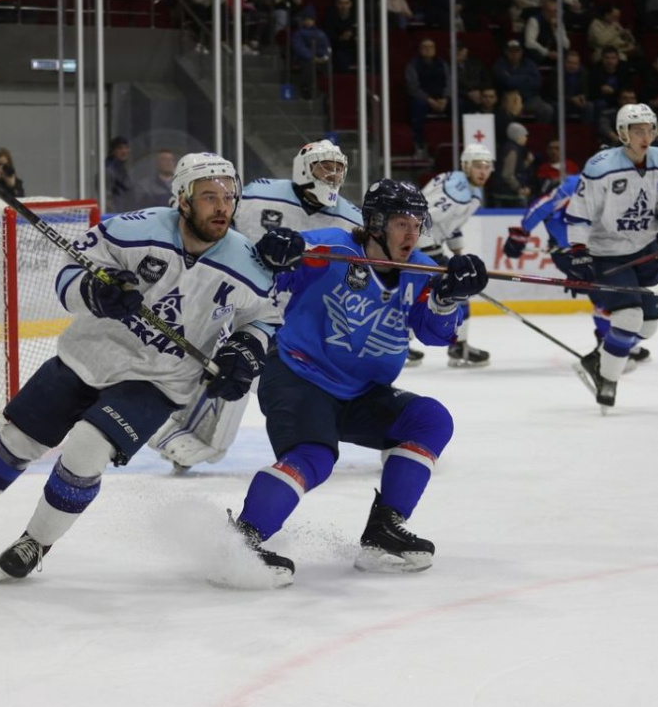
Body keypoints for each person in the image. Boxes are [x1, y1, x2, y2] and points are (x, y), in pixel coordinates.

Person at [0, 153, 285, 581]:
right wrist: (95, 289)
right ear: (182, 200)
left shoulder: (247, 263)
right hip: (88, 355)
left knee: (88, 446)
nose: (222, 207)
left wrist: (244, 351)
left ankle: (36, 540)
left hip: (159, 378)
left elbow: (263, 318)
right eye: (208, 197)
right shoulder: (133, 229)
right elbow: (70, 272)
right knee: (17, 441)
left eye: (228, 197)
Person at [222, 180, 489, 587]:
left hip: (361, 393)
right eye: (402, 223)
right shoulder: (333, 248)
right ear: (376, 224)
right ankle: (240, 543)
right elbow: (272, 268)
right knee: (315, 457)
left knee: (430, 420)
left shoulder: (419, 271)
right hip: (299, 375)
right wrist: (276, 251)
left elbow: (436, 335)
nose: (412, 234)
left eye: (418, 224)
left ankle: (383, 531)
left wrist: (448, 299)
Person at [150, 140, 361, 475]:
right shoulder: (260, 194)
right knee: (235, 364)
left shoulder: (350, 217)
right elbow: (218, 223)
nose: (333, 175)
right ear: (304, 168)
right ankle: (189, 432)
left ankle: (379, 426)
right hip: (249, 299)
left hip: (303, 314)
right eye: (325, 167)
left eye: (338, 168)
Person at [560, 103, 658, 411]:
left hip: (646, 252)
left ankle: (598, 359)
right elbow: (578, 216)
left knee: (649, 326)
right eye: (637, 131)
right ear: (622, 134)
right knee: (629, 318)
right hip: (607, 254)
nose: (645, 137)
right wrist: (579, 254)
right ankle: (607, 378)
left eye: (649, 130)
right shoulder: (601, 166)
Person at [503, 175, 654, 371]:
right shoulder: (577, 184)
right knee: (604, 293)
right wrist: (521, 234)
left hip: (597, 249)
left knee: (616, 293)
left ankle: (615, 342)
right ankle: (606, 347)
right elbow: (542, 205)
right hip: (569, 253)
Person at [413, 143, 496, 367]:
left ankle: (459, 345)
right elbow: (420, 216)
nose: (483, 171)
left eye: (487, 167)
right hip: (415, 246)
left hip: (426, 245)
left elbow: (449, 223)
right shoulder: (457, 189)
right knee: (422, 293)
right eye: (478, 165)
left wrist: (458, 252)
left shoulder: (470, 189)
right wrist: (429, 253)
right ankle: (399, 344)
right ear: (466, 166)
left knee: (459, 289)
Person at [405, 38, 451, 158]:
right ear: (420, 50)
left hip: (442, 98)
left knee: (458, 105)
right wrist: (429, 99)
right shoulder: (413, 65)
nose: (428, 50)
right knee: (417, 106)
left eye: (431, 47)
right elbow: (413, 87)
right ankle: (419, 145)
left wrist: (445, 98)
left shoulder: (442, 63)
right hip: (423, 99)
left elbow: (450, 83)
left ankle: (453, 143)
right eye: (425, 47)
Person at [492, 39, 554, 122]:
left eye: (517, 51)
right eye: (511, 51)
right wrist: (526, 78)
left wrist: (513, 79)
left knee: (547, 110)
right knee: (508, 113)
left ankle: (540, 133)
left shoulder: (530, 64)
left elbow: (537, 83)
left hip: (530, 99)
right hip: (509, 98)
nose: (514, 54)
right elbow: (507, 82)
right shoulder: (499, 65)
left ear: (521, 52)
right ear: (506, 52)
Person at [291, 7, 330, 100]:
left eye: (310, 19)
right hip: (304, 59)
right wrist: (312, 57)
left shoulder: (321, 33)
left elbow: (325, 46)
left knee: (328, 66)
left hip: (319, 58)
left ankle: (327, 91)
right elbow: (299, 48)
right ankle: (307, 88)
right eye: (306, 20)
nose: (308, 22)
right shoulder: (298, 33)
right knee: (308, 66)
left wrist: (324, 57)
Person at [492, 122, 534, 207]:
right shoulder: (512, 151)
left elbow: (517, 169)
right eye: (525, 136)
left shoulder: (513, 148)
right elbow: (507, 174)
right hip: (507, 195)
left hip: (506, 192)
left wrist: (527, 162)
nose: (526, 138)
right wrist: (518, 188)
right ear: (518, 136)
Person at [322, 0, 357, 72]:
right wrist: (341, 38)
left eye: (346, 3)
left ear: (351, 4)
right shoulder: (330, 17)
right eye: (340, 3)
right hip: (338, 48)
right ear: (336, 4)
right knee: (340, 57)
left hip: (355, 48)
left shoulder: (357, 16)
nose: (343, 6)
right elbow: (329, 36)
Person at [105, 136, 134, 213]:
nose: (124, 151)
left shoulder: (121, 168)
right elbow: (107, 198)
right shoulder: (109, 170)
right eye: (120, 148)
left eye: (126, 147)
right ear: (113, 151)